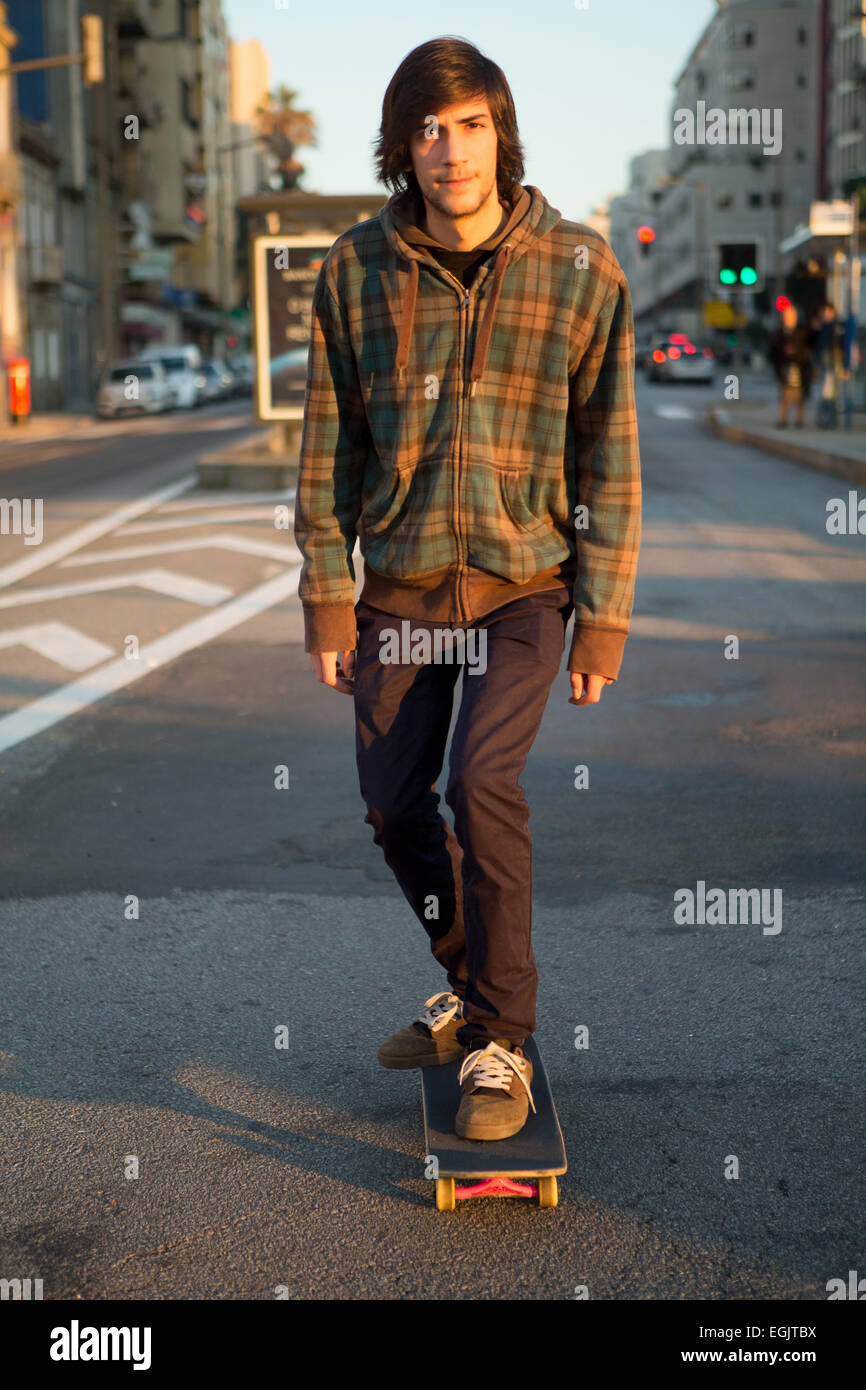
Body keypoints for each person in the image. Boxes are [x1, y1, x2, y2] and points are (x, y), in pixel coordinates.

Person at [293, 37, 641, 1141]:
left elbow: (609, 457)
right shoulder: (355, 270)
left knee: (482, 780)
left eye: (470, 124)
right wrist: (325, 592)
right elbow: (325, 446)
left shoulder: (581, 269)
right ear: (402, 146)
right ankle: (478, 988)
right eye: (427, 130)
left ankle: (503, 1041)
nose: (449, 150)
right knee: (395, 807)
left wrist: (603, 620)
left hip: (523, 587)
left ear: (503, 131)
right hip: (397, 591)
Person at [767, 303, 815, 428]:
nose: (789, 318)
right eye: (787, 315)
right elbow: (772, 351)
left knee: (799, 395)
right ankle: (783, 419)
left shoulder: (801, 332)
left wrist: (796, 352)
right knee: (784, 395)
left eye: (792, 315)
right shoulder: (779, 333)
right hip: (784, 367)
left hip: (799, 367)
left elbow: (808, 349)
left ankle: (799, 420)